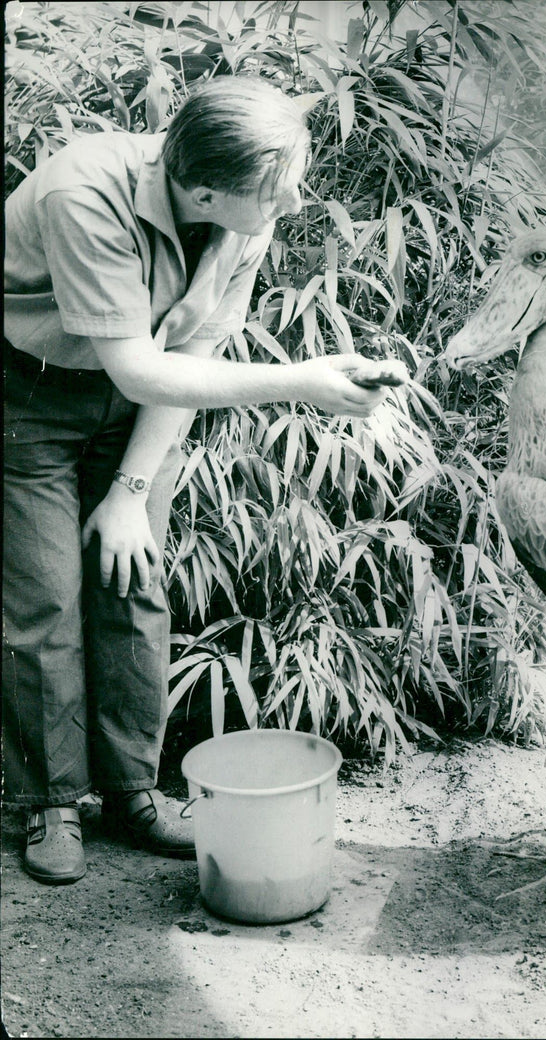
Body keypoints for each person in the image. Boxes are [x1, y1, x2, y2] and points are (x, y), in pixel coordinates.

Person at [3, 76, 402, 885]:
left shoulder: (242, 221)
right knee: (44, 598)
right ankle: (51, 801)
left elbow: (192, 360)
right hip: (31, 392)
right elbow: (143, 365)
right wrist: (302, 381)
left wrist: (130, 493)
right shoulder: (86, 194)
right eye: (278, 190)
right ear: (207, 190)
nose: (295, 203)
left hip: (142, 397)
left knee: (135, 581)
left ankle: (132, 792)